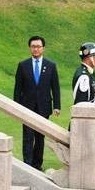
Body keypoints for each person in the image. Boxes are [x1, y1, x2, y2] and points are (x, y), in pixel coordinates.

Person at [13, 36, 61, 170]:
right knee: (28, 136)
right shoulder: (23, 65)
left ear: (43, 48)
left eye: (38, 46)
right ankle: (27, 164)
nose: (36, 49)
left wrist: (57, 106)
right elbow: (18, 88)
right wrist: (15, 106)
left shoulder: (50, 66)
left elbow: (55, 87)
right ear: (30, 48)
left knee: (40, 137)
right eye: (33, 46)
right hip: (26, 107)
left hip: (44, 106)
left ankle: (37, 164)